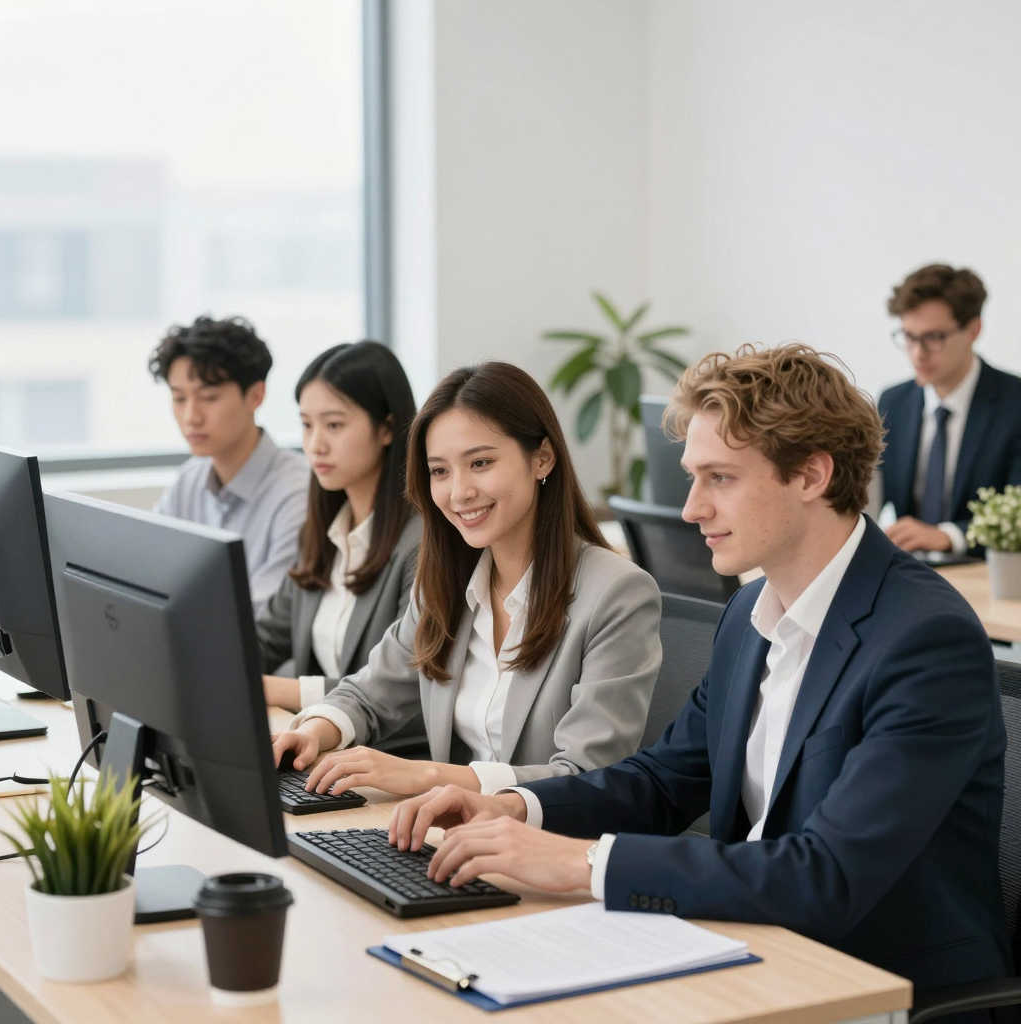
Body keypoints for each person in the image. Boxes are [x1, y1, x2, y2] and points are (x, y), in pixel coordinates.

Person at [391, 343, 1010, 1005]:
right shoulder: (750, 613)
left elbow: (825, 876)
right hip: (751, 956)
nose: (691, 510)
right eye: (692, 477)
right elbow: (662, 783)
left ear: (811, 476)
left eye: (719, 478)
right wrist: (513, 807)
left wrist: (580, 862)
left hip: (877, 988)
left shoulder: (923, 638)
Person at [271, 361, 662, 798]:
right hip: (452, 835)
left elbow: (588, 775)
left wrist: (431, 777)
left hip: (546, 847)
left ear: (542, 458)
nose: (459, 492)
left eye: (480, 463)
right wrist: (315, 731)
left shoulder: (616, 593)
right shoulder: (448, 583)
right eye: (440, 471)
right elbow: (368, 695)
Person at [257, 341, 427, 755]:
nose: (315, 445)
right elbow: (264, 637)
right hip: (325, 754)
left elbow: (404, 688)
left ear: (387, 428)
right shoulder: (326, 533)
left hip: (392, 761)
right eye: (306, 425)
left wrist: (276, 689)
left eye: (334, 425)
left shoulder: (422, 542)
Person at [149, 316, 308, 614]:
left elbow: (265, 616)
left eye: (209, 397)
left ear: (255, 396)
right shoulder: (190, 479)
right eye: (179, 398)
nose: (190, 417)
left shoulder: (297, 493)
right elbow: (147, 569)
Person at [879, 264, 1021, 554]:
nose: (918, 353)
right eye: (908, 336)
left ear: (973, 329)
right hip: (909, 575)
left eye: (933, 338)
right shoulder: (893, 402)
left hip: (986, 576)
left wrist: (950, 536)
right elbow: (866, 499)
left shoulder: (1015, 402)